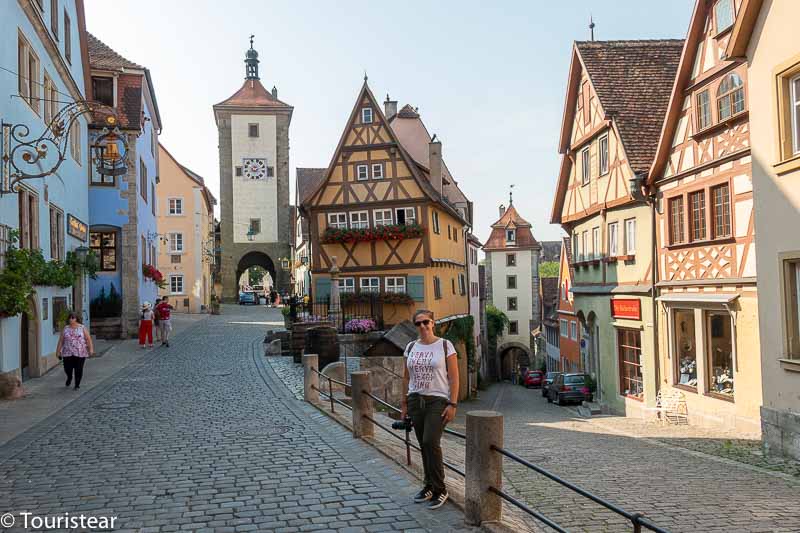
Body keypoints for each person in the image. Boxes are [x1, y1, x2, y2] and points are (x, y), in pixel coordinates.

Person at [400, 309, 459, 510]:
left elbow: (454, 377)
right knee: (423, 444)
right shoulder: (410, 347)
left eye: (426, 322)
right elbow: (406, 377)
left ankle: (440, 489)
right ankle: (428, 485)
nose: (423, 326)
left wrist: (453, 404)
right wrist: (404, 404)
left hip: (437, 401)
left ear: (433, 323)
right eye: (418, 323)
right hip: (416, 400)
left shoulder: (444, 345)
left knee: (430, 441)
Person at [55, 311, 94, 390]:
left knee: (78, 369)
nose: (71, 319)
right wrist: (58, 351)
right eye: (70, 318)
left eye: (73, 318)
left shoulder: (82, 328)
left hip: (80, 352)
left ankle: (77, 384)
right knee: (67, 368)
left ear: (76, 319)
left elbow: (88, 339)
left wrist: (91, 349)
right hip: (67, 352)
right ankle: (69, 377)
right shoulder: (66, 328)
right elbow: (61, 341)